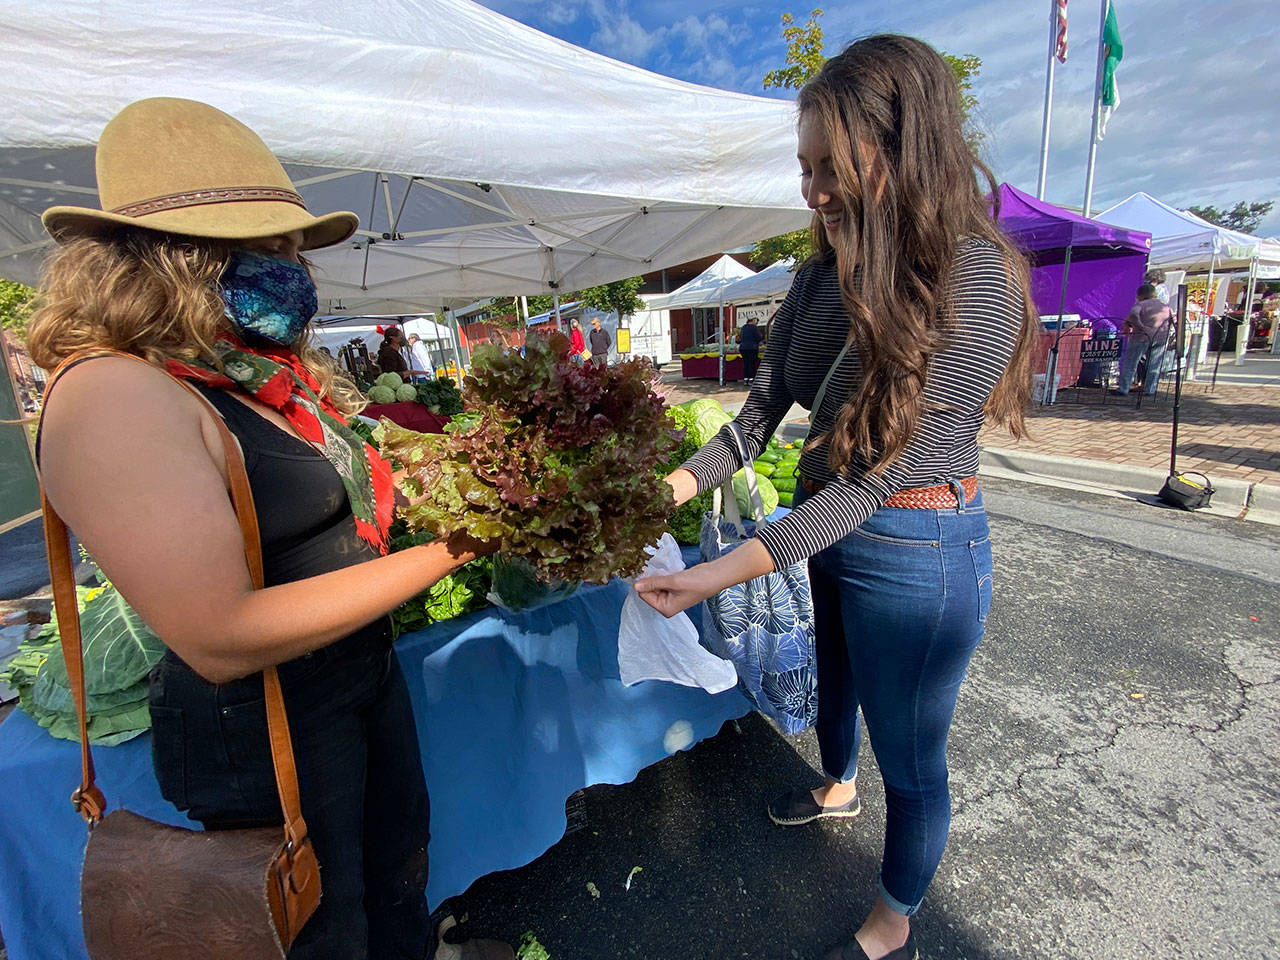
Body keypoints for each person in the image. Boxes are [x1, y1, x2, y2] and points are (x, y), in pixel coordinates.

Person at [28, 98, 511, 960]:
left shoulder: (251, 375)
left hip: (356, 673)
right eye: (268, 247)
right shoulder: (114, 394)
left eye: (290, 247)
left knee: (398, 877)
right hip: (261, 719)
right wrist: (462, 545)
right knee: (324, 930)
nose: (294, 267)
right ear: (172, 260)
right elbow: (220, 634)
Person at [635, 36, 1038, 960]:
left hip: (919, 550)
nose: (812, 191)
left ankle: (893, 919)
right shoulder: (820, 275)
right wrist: (665, 490)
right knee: (839, 685)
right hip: (837, 532)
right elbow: (757, 418)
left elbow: (871, 485)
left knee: (915, 758)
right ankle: (836, 782)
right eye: (805, 168)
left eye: (830, 166)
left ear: (900, 150)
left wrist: (709, 578)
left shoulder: (971, 278)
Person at [1114, 283, 1174, 397]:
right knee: (1154, 365)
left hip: (1141, 336)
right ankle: (1150, 389)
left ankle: (1124, 388)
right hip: (1160, 337)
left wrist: (1141, 326)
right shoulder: (1165, 306)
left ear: (1140, 295)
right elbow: (1174, 319)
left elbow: (1134, 315)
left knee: (1130, 363)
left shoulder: (1140, 305)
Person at [739, 316, 762, 381]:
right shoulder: (754, 328)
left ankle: (746, 378)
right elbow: (758, 338)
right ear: (752, 320)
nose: (756, 322)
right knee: (751, 363)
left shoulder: (743, 327)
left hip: (743, 348)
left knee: (746, 363)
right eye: (755, 320)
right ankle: (751, 378)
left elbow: (740, 337)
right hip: (752, 348)